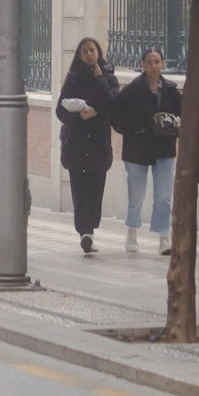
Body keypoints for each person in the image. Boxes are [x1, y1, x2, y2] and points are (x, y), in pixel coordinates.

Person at [111, 48, 181, 255]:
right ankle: (132, 231)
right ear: (142, 64)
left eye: (157, 62)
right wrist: (134, 129)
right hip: (137, 148)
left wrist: (175, 125)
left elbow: (182, 114)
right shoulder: (132, 90)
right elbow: (116, 116)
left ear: (163, 64)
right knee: (136, 194)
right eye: (149, 62)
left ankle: (164, 236)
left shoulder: (170, 90)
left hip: (164, 147)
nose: (153, 66)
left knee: (164, 196)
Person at [55, 37, 119, 254]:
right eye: (85, 51)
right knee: (79, 192)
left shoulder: (109, 77)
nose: (89, 54)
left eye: (92, 50)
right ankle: (85, 233)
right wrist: (79, 117)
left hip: (99, 144)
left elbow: (112, 104)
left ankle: (91, 226)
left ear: (98, 52)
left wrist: (100, 79)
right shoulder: (73, 79)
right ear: (80, 56)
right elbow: (60, 110)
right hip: (77, 144)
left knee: (95, 191)